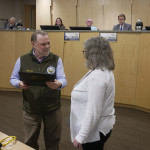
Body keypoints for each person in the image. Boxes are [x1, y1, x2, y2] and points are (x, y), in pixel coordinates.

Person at [10, 31, 67, 150]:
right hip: (31, 107)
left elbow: (63, 79)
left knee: (53, 141)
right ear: (33, 44)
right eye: (43, 44)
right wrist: (19, 84)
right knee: (30, 141)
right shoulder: (23, 59)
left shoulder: (56, 59)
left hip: (52, 108)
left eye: (48, 43)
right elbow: (13, 79)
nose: (47, 46)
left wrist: (59, 84)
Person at [70, 36, 115, 150]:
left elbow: (93, 111)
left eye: (85, 51)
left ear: (93, 53)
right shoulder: (102, 70)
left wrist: (81, 136)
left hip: (94, 131)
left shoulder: (98, 76)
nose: (85, 55)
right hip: (99, 127)